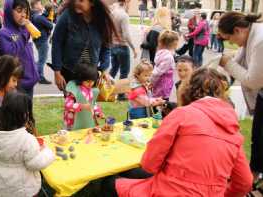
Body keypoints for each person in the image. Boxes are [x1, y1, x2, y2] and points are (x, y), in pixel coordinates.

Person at [103, 68, 253, 197]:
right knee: (133, 174)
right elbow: (245, 182)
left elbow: (149, 165)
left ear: (188, 90)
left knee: (109, 183)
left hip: (168, 191)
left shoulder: (182, 114)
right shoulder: (233, 132)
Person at [218, 12, 263, 186]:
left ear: (237, 30)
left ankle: (254, 177)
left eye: (229, 39)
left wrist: (227, 64)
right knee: (257, 138)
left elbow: (253, 80)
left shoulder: (259, 40)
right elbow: (238, 60)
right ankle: (254, 174)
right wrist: (222, 74)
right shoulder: (249, 35)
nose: (232, 43)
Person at [0, 91, 55, 197]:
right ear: (24, 115)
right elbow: (35, 164)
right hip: (24, 188)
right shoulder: (27, 140)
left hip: (1, 184)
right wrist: (47, 152)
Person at [51, 0, 117, 91]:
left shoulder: (101, 20)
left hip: (91, 75)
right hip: (70, 71)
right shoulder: (68, 15)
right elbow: (56, 42)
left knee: (88, 102)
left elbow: (106, 47)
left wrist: (104, 69)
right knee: (73, 103)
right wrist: (57, 72)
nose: (76, 2)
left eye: (81, 0)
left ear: (92, 3)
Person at [0, 0, 40, 99]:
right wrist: (24, 33)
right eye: (19, 10)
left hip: (30, 81)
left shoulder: (25, 29)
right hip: (17, 84)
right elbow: (10, 55)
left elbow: (29, 55)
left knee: (27, 112)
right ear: (9, 11)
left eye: (25, 11)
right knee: (18, 112)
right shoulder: (4, 33)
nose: (23, 15)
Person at [110, 0, 137, 101]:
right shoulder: (124, 15)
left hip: (113, 45)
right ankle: (121, 95)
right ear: (126, 2)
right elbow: (126, 34)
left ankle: (106, 90)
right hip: (122, 46)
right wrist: (133, 48)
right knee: (124, 71)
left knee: (113, 69)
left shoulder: (112, 12)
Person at [64, 63, 104, 130]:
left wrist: (98, 112)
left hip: (85, 120)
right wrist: (82, 106)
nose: (90, 84)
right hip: (73, 121)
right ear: (81, 78)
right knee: (72, 137)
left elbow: (93, 104)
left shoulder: (91, 90)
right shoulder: (74, 90)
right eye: (88, 81)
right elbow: (67, 105)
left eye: (93, 81)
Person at [151, 30, 179, 100]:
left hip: (160, 84)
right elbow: (157, 72)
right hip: (163, 85)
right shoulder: (168, 57)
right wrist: (151, 82)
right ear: (174, 44)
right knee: (161, 103)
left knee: (156, 100)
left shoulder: (161, 53)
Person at [31, 0, 54, 85]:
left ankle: (37, 75)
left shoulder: (34, 15)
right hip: (42, 40)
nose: (42, 5)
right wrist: (50, 17)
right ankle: (40, 77)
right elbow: (50, 25)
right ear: (36, 5)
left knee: (41, 59)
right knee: (42, 60)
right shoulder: (38, 17)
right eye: (40, 4)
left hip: (39, 40)